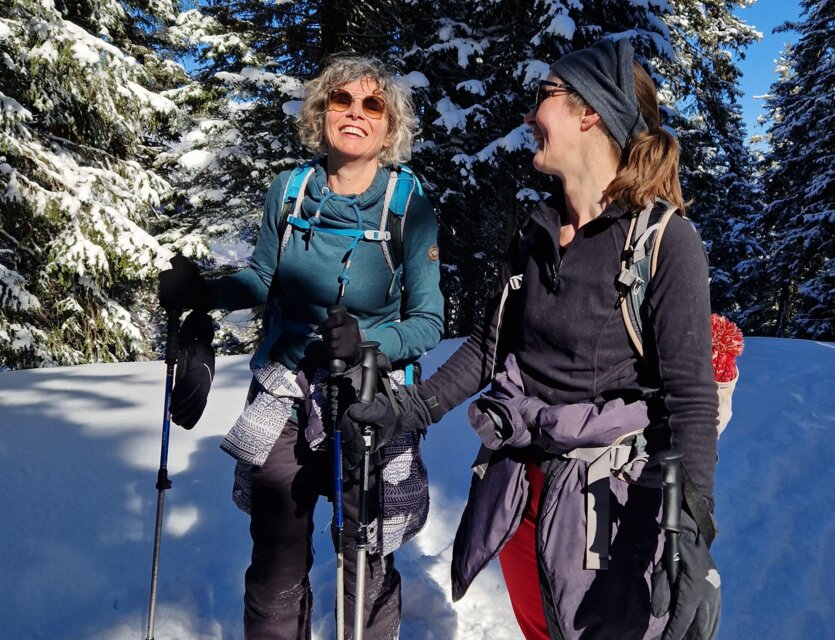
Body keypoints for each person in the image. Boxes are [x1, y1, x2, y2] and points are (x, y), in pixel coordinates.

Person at [344, 38, 721, 639]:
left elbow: (691, 401)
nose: (529, 116)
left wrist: (691, 524)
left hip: (609, 507)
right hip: (519, 490)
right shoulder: (535, 231)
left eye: (544, 97)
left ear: (589, 112)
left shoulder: (665, 243)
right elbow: (490, 349)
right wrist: (410, 411)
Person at [158, 54, 444, 639]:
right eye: (342, 100)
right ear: (322, 110)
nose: (356, 114)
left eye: (373, 105)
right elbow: (264, 279)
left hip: (367, 399)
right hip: (284, 393)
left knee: (364, 552)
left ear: (390, 126)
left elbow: (430, 320)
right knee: (275, 558)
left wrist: (368, 341)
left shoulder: (407, 205)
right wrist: (204, 293)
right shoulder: (289, 192)